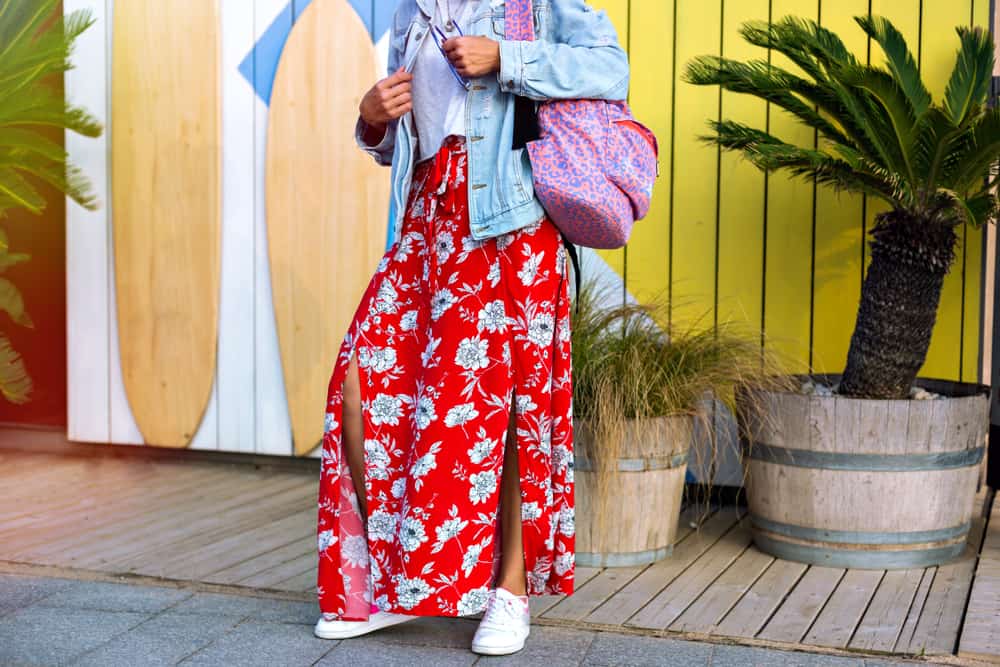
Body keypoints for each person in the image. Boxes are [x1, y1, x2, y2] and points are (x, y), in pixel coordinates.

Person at [314, 0, 629, 656]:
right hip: (425, 220)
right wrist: (370, 122)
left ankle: (509, 590)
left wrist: (506, 58)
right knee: (361, 381)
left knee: (507, 403)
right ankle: (390, 583)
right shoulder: (413, 11)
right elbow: (410, 135)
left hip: (509, 222)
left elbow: (610, 66)